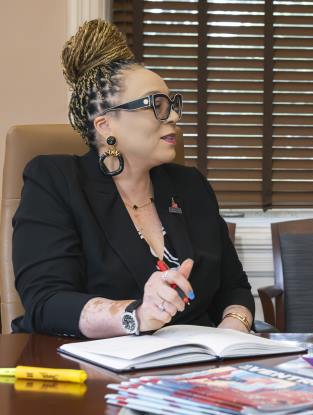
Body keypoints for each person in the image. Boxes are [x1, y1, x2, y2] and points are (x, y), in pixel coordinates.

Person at [12, 20, 254, 339]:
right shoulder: (55, 181)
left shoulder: (190, 185)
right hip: (92, 369)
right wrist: (136, 315)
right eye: (157, 104)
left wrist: (231, 333)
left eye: (173, 104)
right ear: (105, 125)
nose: (174, 117)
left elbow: (233, 287)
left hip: (192, 365)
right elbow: (47, 302)